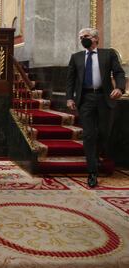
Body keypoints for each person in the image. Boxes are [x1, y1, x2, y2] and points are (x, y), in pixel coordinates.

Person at [66, 27, 126, 188]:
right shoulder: (76, 57)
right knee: (89, 134)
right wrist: (69, 98)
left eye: (85, 36)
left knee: (104, 132)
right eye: (80, 38)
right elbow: (70, 80)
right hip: (85, 98)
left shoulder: (108, 54)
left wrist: (120, 88)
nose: (82, 40)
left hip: (105, 97)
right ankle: (92, 171)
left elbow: (119, 73)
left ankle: (96, 156)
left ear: (95, 39)